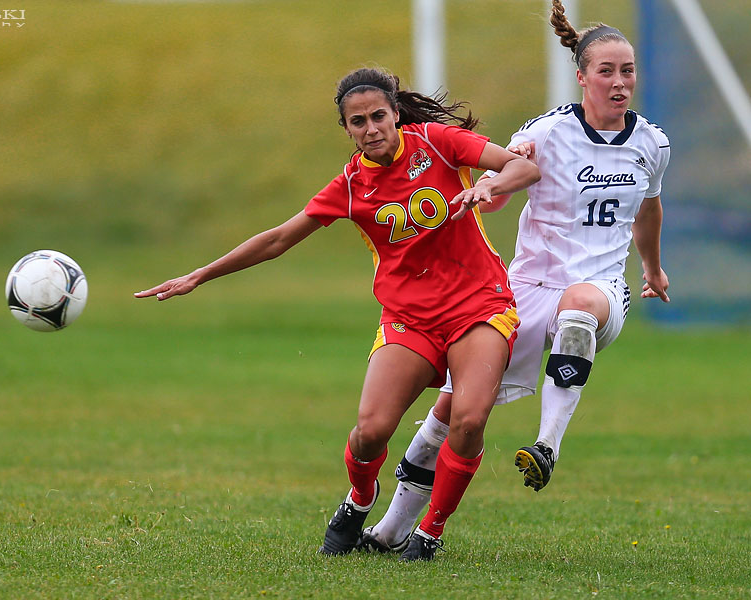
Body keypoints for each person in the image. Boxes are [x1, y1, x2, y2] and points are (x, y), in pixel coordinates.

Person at [135, 67, 540, 562]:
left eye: (378, 116)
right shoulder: (351, 184)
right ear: (346, 129)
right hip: (410, 319)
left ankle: (429, 532)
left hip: (479, 305)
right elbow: (278, 239)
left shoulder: (436, 142)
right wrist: (200, 274)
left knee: (470, 419)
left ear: (395, 113)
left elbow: (523, 169)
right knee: (370, 433)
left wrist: (490, 184)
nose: (371, 128)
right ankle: (360, 499)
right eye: (358, 122)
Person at [362, 0, 671, 555]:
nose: (620, 82)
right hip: (523, 289)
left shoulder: (652, 143)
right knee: (453, 413)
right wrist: (488, 186)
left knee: (580, 305)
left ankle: (546, 445)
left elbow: (648, 209)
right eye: (607, 71)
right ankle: (390, 530)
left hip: (600, 287)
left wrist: (650, 266)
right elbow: (501, 191)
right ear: (582, 77)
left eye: (628, 70)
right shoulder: (547, 132)